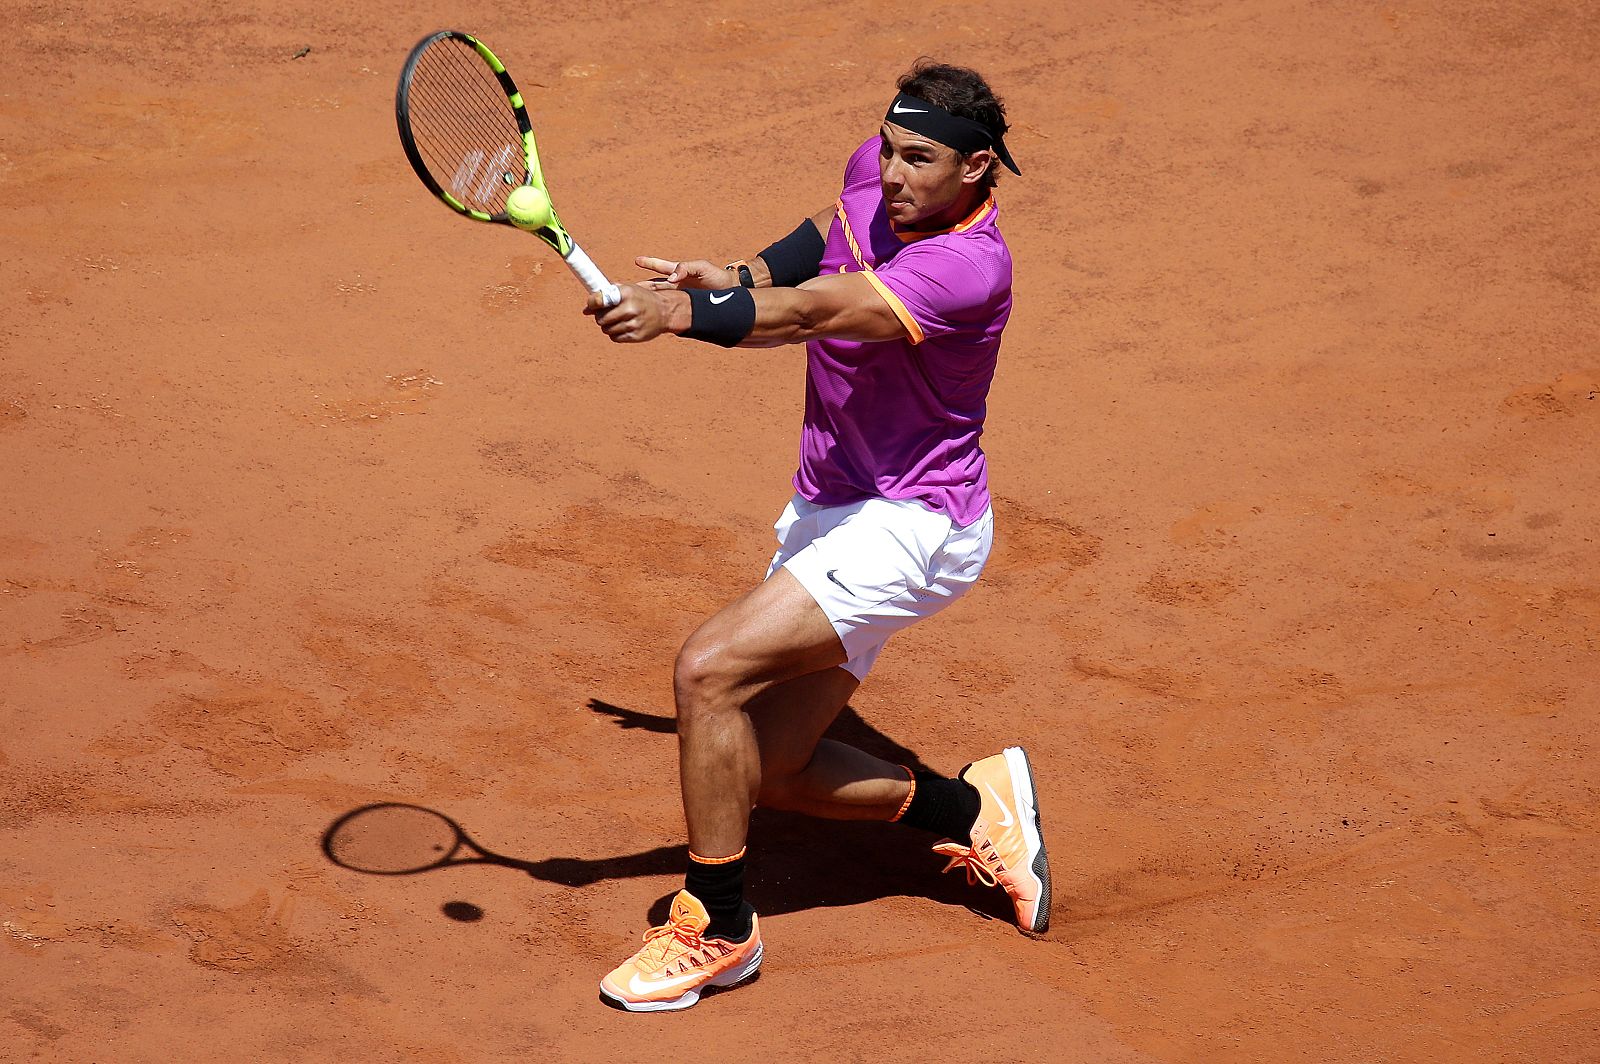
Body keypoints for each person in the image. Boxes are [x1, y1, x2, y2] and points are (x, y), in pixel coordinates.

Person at [583, 60, 1048, 1013]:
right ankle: (973, 807)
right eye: (889, 148)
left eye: (918, 160)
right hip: (832, 504)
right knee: (769, 771)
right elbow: (825, 236)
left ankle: (718, 928)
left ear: (975, 168)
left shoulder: (967, 269)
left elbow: (814, 311)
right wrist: (738, 275)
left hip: (913, 526)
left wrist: (679, 312)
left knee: (708, 671)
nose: (892, 172)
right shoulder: (883, 172)